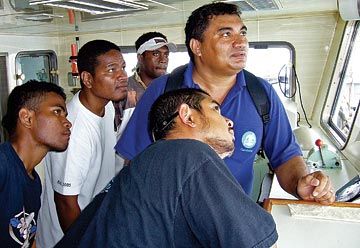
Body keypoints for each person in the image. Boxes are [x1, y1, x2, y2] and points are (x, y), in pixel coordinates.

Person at [115, 2, 335, 204]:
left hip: (232, 220)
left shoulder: (261, 94)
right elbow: (136, 161)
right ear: (197, 47)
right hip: (173, 219)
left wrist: (301, 184)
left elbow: (285, 155)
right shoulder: (164, 90)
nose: (240, 43)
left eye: (242, 33)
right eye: (226, 35)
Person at [55, 88, 278, 248]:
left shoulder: (149, 161)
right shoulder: (192, 154)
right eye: (215, 110)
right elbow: (259, 243)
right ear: (187, 116)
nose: (229, 121)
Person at [36, 39, 128, 248]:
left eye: (122, 67)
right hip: (67, 237)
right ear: (87, 78)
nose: (122, 76)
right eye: (111, 70)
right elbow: (66, 203)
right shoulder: (74, 129)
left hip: (93, 222)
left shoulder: (108, 107)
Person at [0, 80, 71, 247]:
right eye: (57, 112)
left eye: (65, 115)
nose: (68, 123)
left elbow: (28, 239)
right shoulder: (3, 165)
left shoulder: (33, 180)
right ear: (27, 118)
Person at [113, 32, 176, 173]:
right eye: (155, 54)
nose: (163, 60)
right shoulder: (123, 90)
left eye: (166, 55)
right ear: (140, 57)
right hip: (124, 165)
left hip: (163, 164)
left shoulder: (173, 89)